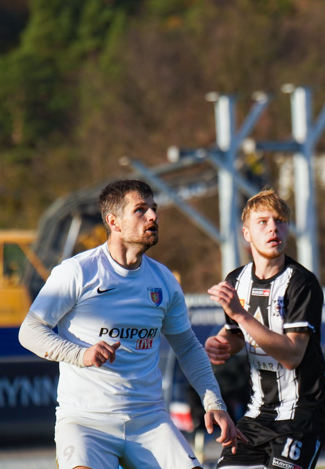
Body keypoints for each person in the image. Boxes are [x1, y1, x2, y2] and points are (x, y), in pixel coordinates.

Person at [18, 179, 243, 469]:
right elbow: (30, 331)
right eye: (140, 210)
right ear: (114, 222)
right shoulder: (77, 272)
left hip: (148, 420)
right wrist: (81, 354)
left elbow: (187, 347)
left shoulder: (164, 282)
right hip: (86, 422)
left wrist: (214, 403)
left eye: (153, 209)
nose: (153, 216)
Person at [204, 189, 325, 469]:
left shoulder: (302, 284)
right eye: (262, 222)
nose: (273, 228)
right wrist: (221, 343)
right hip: (257, 414)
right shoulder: (237, 280)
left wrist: (240, 313)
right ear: (246, 233)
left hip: (301, 414)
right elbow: (237, 334)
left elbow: (292, 355)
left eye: (280, 220)